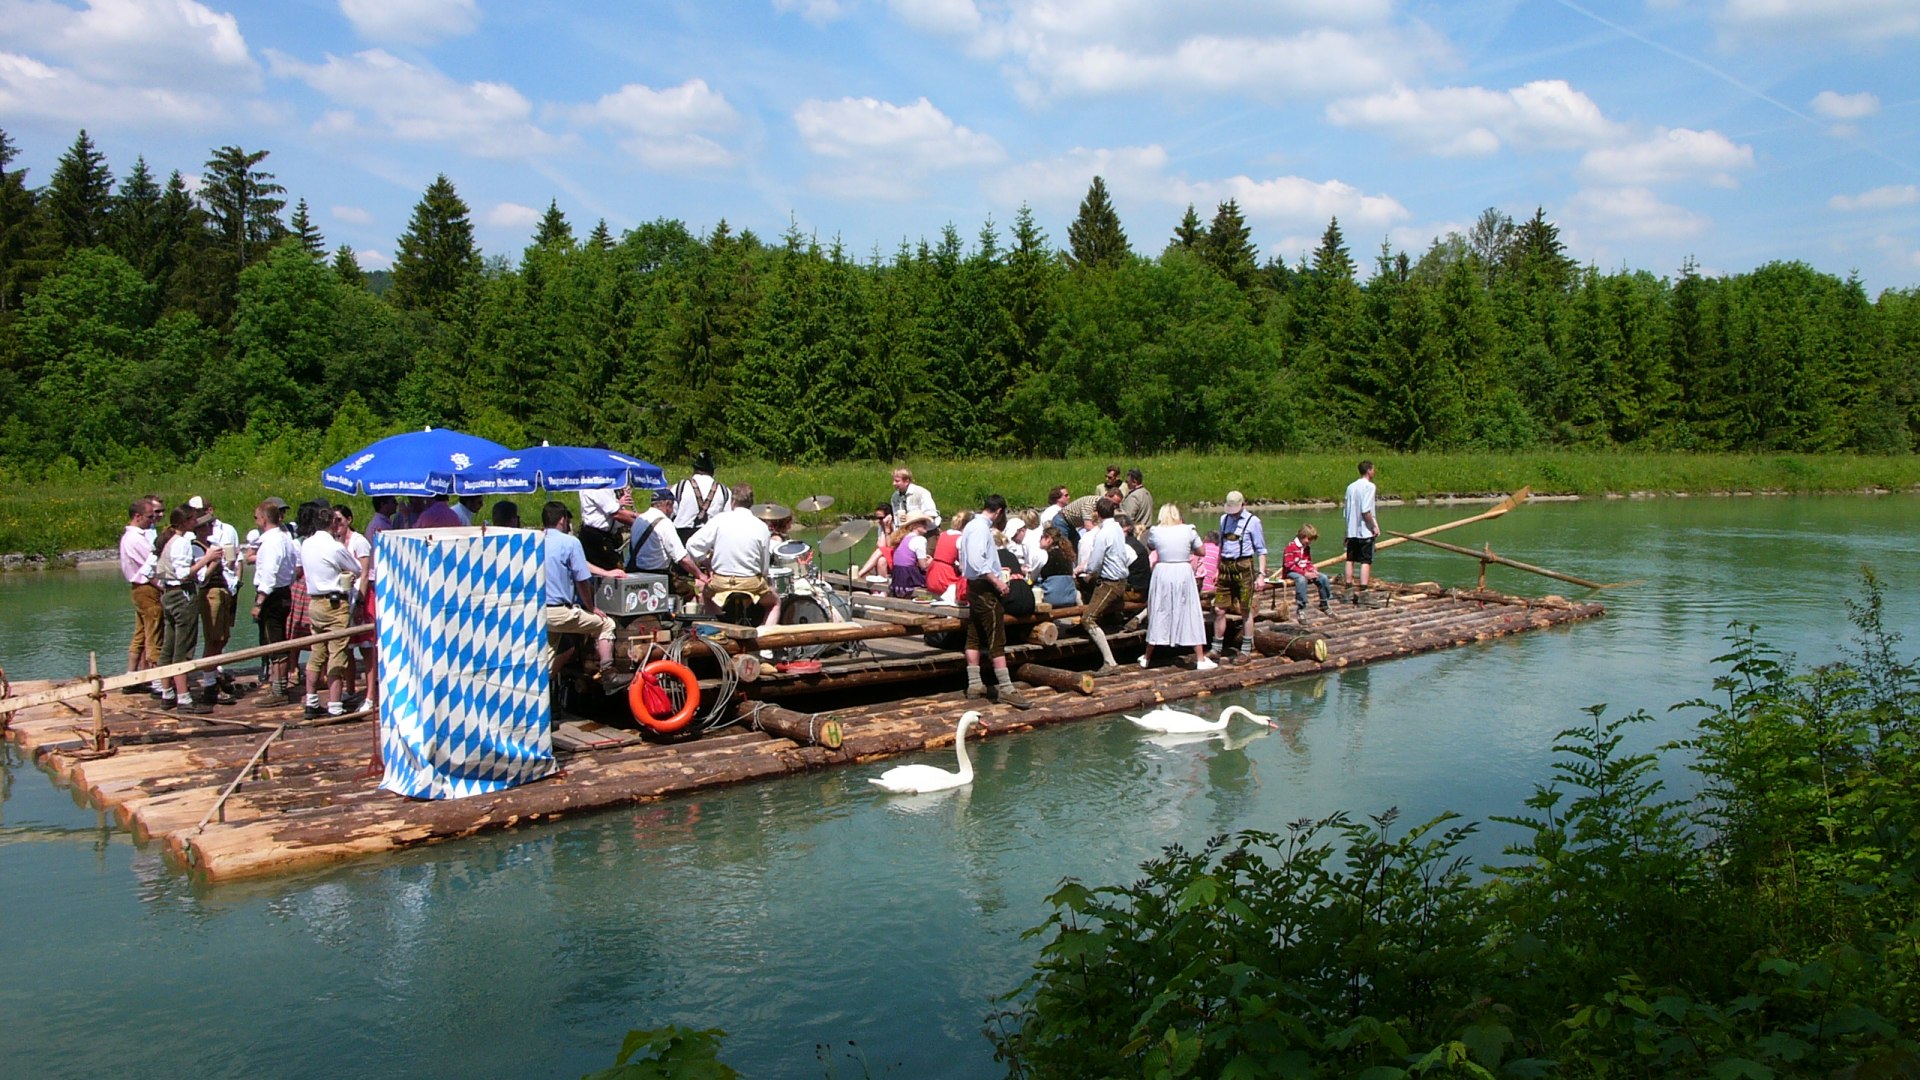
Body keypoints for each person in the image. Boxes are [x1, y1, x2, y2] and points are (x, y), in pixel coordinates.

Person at [957, 495, 1031, 708]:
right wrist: (998, 582)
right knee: (996, 638)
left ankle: (974, 683)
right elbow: (977, 561)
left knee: (974, 634)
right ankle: (1006, 688)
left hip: (974, 586)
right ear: (999, 511)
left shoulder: (971, 525)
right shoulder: (980, 529)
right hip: (985, 588)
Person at [153, 505, 226, 714]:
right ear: (184, 522)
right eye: (193, 519)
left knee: (169, 645)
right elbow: (184, 574)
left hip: (169, 594)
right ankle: (184, 697)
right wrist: (207, 558)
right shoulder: (182, 542)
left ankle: (168, 693)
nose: (196, 522)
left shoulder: (170, 540)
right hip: (182, 595)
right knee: (184, 647)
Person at [540, 500, 623, 679]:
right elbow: (582, 580)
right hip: (560, 612)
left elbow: (580, 563)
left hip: (538, 612)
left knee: (549, 656)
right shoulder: (571, 542)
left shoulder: (536, 540)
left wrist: (606, 572)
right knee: (606, 624)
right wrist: (591, 607)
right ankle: (608, 673)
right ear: (562, 520)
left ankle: (541, 691)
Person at [301, 504, 367, 719]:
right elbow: (356, 568)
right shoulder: (334, 547)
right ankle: (335, 705)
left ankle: (311, 701)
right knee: (337, 654)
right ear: (331, 522)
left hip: (314, 602)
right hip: (334, 604)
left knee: (317, 652)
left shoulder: (306, 544)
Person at [686, 483, 779, 627]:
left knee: (706, 594)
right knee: (775, 602)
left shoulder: (719, 520)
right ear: (751, 503)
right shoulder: (761, 526)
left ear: (733, 501)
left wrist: (707, 563)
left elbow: (692, 545)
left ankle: (716, 627)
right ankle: (765, 636)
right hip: (750, 583)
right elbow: (764, 568)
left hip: (721, 582)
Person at [1140, 504, 1215, 671]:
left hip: (1163, 571)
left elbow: (1152, 546)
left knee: (1159, 611)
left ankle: (1146, 657)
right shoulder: (1188, 530)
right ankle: (1200, 658)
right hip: (1182, 570)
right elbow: (1202, 551)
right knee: (1190, 611)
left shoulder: (1155, 531)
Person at [187, 496, 241, 699]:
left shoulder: (211, 544)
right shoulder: (196, 547)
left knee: (223, 637)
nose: (212, 527)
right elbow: (201, 578)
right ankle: (209, 683)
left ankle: (214, 676)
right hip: (210, 593)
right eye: (208, 525)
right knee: (213, 638)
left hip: (222, 590)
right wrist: (213, 561)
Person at [250, 499, 300, 703]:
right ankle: (278, 685)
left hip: (272, 596)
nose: (255, 520)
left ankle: (279, 691)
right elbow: (293, 567)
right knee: (276, 640)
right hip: (283, 591)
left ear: (263, 519)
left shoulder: (271, 542)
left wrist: (259, 602)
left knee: (274, 642)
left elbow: (269, 575)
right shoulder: (285, 538)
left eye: (256, 517)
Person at [1074, 498, 1132, 670]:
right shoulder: (1117, 528)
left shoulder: (1103, 534)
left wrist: (1085, 572)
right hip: (1121, 580)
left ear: (1097, 514)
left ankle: (1109, 662)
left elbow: (1095, 562)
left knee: (1088, 619)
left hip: (1110, 583)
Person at [1210, 490, 1268, 663]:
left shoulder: (1253, 522)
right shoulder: (1224, 519)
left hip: (1244, 567)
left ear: (1243, 504)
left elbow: (1261, 550)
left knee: (1245, 609)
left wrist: (1261, 575)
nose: (1232, 513)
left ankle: (1245, 650)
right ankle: (1216, 648)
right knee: (1219, 609)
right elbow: (1222, 545)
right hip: (1225, 567)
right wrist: (1217, 569)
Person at [626, 487, 707, 603]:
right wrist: (700, 575)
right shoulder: (664, 523)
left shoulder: (640, 519)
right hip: (657, 576)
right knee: (689, 592)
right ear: (668, 504)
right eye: (672, 506)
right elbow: (682, 558)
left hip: (634, 572)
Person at [120, 497, 163, 691]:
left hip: (139, 588)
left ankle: (132, 676)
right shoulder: (136, 539)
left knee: (140, 633)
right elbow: (152, 566)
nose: (152, 520)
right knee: (154, 632)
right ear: (137, 516)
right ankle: (157, 681)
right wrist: (163, 587)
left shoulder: (131, 537)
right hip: (146, 588)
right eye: (149, 516)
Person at [671, 451, 731, 543]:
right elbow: (728, 519)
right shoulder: (724, 491)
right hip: (711, 539)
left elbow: (671, 512)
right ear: (712, 472)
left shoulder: (680, 487)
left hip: (682, 539)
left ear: (694, 470)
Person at [579, 478, 635, 571]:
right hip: (596, 537)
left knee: (616, 569)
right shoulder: (598, 483)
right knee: (612, 571)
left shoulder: (608, 483)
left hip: (608, 535)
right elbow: (615, 512)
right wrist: (642, 521)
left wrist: (621, 495)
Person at [1343, 460, 1380, 599]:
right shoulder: (1370, 486)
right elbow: (1366, 510)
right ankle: (1364, 592)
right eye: (1373, 469)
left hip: (1351, 530)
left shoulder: (1350, 487)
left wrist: (1347, 531)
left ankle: (1348, 589)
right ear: (1369, 470)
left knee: (1350, 559)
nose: (1374, 472)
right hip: (1364, 531)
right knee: (1366, 561)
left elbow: (1346, 511)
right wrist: (1373, 526)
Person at [1283, 523, 1335, 622]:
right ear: (1302, 536)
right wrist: (1305, 574)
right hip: (1291, 571)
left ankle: (1324, 603)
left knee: (1323, 577)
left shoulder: (1306, 547)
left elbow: (1307, 562)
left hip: (1303, 570)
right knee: (1301, 580)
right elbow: (1288, 565)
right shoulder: (1290, 547)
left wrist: (1312, 569)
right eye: (1309, 539)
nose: (1310, 542)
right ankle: (1301, 608)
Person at [925, 510, 969, 604]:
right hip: (944, 577)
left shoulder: (943, 534)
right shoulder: (960, 538)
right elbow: (962, 568)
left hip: (933, 574)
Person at [888, 513, 933, 597]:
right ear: (914, 525)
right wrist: (931, 562)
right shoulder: (920, 539)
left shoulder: (903, 537)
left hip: (897, 575)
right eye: (922, 523)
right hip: (908, 576)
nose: (926, 525)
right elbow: (923, 566)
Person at [1035, 526, 1079, 609]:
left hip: (1051, 598)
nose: (1039, 540)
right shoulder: (1067, 555)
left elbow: (1033, 577)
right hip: (1070, 597)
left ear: (1048, 539)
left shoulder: (1043, 555)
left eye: (1041, 537)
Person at [855, 504, 895, 580]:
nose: (878, 521)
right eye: (877, 518)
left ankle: (860, 573)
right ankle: (882, 585)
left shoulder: (896, 527)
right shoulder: (881, 527)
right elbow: (881, 545)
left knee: (880, 551)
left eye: (881, 518)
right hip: (888, 557)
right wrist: (884, 529)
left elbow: (890, 546)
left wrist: (887, 530)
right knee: (881, 560)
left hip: (897, 557)